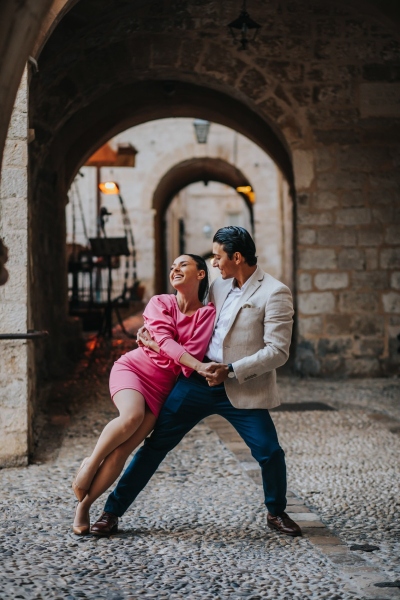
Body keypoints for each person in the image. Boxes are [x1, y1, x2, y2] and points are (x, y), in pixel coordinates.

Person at [91, 226, 302, 538]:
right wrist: (153, 336)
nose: (213, 263)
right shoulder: (217, 284)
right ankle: (112, 512)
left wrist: (230, 369)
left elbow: (277, 351)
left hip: (241, 385)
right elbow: (184, 314)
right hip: (194, 382)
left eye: (217, 257)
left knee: (270, 452)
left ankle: (276, 511)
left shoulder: (275, 292)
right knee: (155, 445)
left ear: (238, 257)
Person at [72, 254, 216, 535]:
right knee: (132, 416)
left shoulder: (206, 314)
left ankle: (85, 506)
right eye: (172, 265)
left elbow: (188, 354)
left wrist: (164, 347)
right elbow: (171, 345)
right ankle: (90, 465)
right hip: (133, 369)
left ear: (200, 274)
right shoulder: (159, 302)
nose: (175, 268)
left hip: (161, 389)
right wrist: (175, 352)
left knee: (123, 452)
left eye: (183, 264)